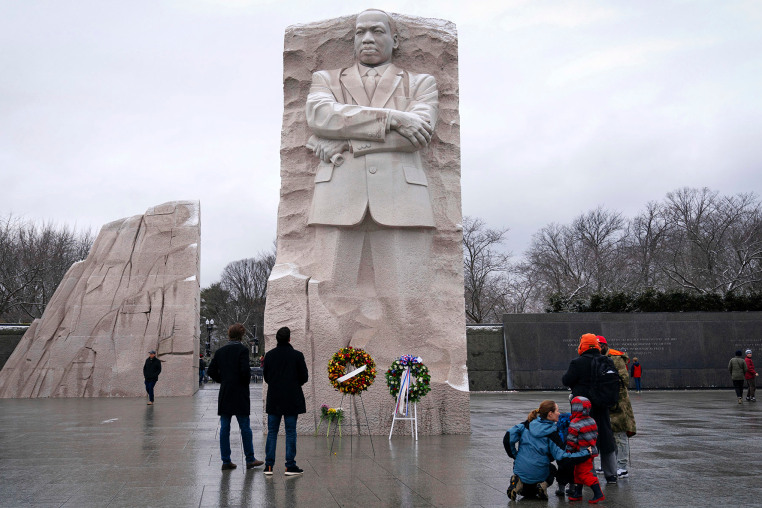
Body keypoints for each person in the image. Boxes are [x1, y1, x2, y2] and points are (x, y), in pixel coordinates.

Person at [304, 9, 440, 344]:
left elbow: (416, 136)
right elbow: (321, 116)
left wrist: (348, 141)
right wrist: (393, 117)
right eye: (360, 32)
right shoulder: (326, 80)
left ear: (395, 40)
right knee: (329, 297)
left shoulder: (421, 83)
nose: (367, 39)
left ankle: (409, 378)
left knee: (408, 302)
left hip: (402, 201)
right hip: (337, 197)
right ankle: (332, 380)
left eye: (377, 31)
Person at [504, 400, 590, 500]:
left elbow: (508, 438)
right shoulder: (552, 434)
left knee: (526, 487)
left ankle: (518, 483)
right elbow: (563, 457)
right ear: (550, 414)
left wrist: (515, 455)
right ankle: (543, 485)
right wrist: (586, 453)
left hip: (521, 472)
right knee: (552, 469)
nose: (559, 413)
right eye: (557, 411)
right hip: (539, 475)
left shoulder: (526, 424)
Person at [562, 333, 618, 485]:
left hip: (584, 408)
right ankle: (611, 474)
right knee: (606, 438)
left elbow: (566, 380)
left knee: (585, 439)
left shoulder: (577, 362)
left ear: (582, 346)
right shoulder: (606, 360)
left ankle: (589, 474)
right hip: (603, 406)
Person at [207, 323, 264, 471]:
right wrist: (243, 383)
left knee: (224, 427)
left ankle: (226, 460)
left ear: (229, 335)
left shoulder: (220, 352)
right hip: (239, 393)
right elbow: (245, 371)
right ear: (241, 336)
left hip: (226, 392)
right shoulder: (242, 350)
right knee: (245, 427)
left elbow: (211, 371)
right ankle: (250, 458)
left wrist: (223, 380)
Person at [263, 326, 309, 476]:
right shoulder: (297, 355)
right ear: (289, 339)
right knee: (290, 432)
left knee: (272, 432)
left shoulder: (269, 356)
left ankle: (269, 466)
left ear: (277, 339)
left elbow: (267, 378)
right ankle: (290, 465)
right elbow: (304, 377)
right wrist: (294, 384)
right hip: (291, 398)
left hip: (274, 398)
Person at [599, 336, 636, 479]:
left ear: (603, 345)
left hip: (618, 403)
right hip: (606, 402)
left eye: (597, 346)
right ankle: (609, 465)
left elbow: (624, 380)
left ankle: (622, 467)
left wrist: (613, 398)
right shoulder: (599, 357)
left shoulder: (616, 357)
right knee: (608, 436)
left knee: (619, 436)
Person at [565, 396, 605, 504]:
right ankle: (578, 493)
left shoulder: (575, 422)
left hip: (581, 453)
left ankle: (598, 493)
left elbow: (571, 440)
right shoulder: (591, 420)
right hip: (591, 450)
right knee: (578, 472)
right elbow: (595, 435)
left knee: (585, 473)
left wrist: (568, 450)